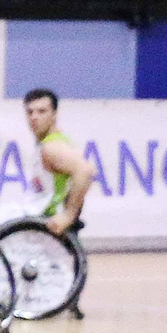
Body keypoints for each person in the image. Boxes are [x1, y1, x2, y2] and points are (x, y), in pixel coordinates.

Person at [20, 87, 96, 237]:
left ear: (54, 114)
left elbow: (85, 171)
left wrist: (68, 215)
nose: (34, 117)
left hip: (46, 223)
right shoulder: (46, 144)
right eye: (30, 112)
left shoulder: (52, 147)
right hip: (37, 218)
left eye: (42, 111)